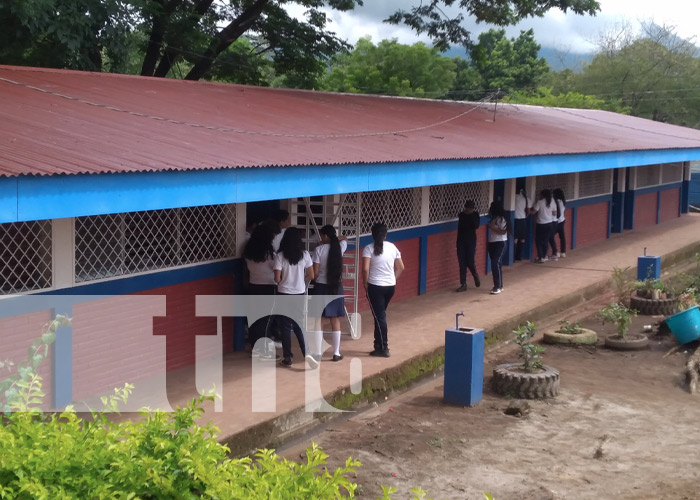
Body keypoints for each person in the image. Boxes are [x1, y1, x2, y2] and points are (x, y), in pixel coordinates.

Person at [273, 227, 318, 369]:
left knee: (285, 326)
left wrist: (284, 282)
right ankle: (307, 353)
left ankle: (287, 357)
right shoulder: (304, 255)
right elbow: (311, 275)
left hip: (284, 294)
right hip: (299, 293)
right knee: (299, 324)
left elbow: (277, 278)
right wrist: (300, 281)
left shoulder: (280, 256)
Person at [362, 223, 404, 358]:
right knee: (379, 315)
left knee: (380, 316)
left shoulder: (368, 249)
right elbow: (401, 267)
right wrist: (393, 279)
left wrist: (365, 283)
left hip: (375, 287)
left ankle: (384, 347)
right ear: (385, 235)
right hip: (390, 287)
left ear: (372, 234)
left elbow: (365, 269)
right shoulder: (392, 247)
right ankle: (378, 345)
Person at [309, 225, 348, 362]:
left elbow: (314, 273)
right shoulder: (340, 247)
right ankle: (336, 353)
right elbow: (345, 238)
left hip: (321, 286)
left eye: (322, 235)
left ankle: (318, 353)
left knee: (318, 320)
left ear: (325, 236)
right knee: (335, 319)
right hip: (336, 286)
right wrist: (333, 240)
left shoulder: (319, 250)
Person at [243, 224, 277, 356]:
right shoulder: (269, 253)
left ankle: (255, 348)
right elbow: (277, 268)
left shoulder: (248, 251)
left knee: (255, 318)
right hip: (268, 287)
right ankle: (263, 350)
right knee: (266, 320)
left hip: (253, 286)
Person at [456, 200, 481, 292]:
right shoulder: (462, 215)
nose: (468, 210)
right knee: (462, 263)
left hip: (471, 241)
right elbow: (462, 226)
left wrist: (470, 215)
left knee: (470, 262)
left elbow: (476, 225)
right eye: (467, 208)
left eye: (470, 208)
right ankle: (463, 284)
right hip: (461, 241)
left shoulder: (475, 215)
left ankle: (475, 275)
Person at [487, 200, 510, 295]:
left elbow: (503, 232)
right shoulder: (494, 218)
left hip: (501, 242)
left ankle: (497, 286)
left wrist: (491, 227)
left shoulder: (502, 219)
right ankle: (499, 285)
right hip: (492, 242)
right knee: (497, 264)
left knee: (495, 262)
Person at [530, 189, 556, 263]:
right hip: (550, 223)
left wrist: (528, 211)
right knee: (545, 241)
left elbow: (533, 212)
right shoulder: (552, 202)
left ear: (542, 195)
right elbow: (554, 213)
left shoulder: (540, 202)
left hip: (541, 224)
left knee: (538, 240)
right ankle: (544, 256)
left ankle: (540, 256)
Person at [549, 188, 567, 258]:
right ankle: (563, 251)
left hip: (556, 222)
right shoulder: (563, 201)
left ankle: (555, 251)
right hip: (562, 221)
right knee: (562, 237)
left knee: (550, 236)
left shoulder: (556, 202)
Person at [513, 188, 529, 261]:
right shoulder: (526, 198)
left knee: (515, 238)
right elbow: (528, 211)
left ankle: (513, 257)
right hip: (523, 219)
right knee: (522, 239)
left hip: (516, 219)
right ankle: (518, 257)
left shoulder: (515, 197)